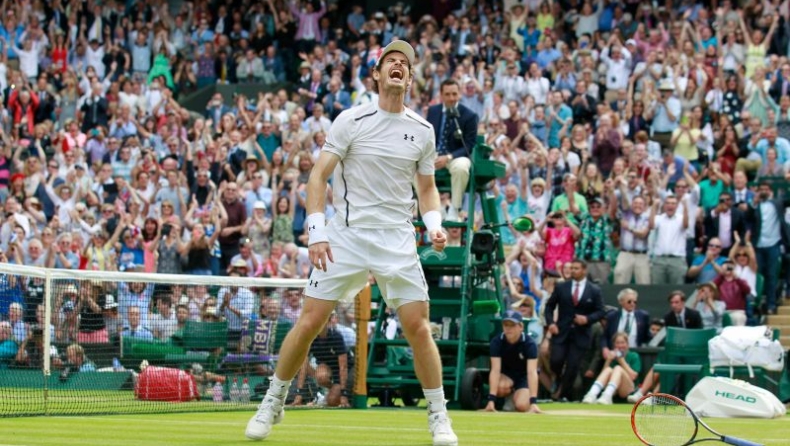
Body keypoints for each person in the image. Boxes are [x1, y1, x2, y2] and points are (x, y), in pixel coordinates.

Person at [245, 41, 457, 446]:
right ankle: (273, 401)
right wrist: (317, 233)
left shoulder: (424, 131)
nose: (398, 66)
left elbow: (427, 188)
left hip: (396, 239)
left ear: (410, 80)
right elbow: (317, 178)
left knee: (418, 326)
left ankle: (439, 415)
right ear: (376, 75)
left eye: (405, 65)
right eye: (391, 62)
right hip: (345, 237)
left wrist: (433, 224)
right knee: (309, 321)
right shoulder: (350, 120)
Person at [544, 259, 606, 402]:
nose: (572, 271)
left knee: (572, 366)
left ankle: (563, 395)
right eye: (571, 268)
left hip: (581, 333)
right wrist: (551, 323)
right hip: (561, 331)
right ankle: (557, 379)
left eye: (576, 268)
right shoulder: (561, 287)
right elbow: (549, 307)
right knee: (556, 360)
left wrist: (587, 319)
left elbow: (601, 311)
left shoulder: (594, 290)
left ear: (584, 270)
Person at [425, 79, 477, 221]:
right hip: (434, 155)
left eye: (454, 94)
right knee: (412, 167)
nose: (451, 98)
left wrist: (448, 157)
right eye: (447, 94)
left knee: (462, 167)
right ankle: (430, 207)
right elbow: (427, 137)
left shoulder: (469, 116)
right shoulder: (433, 111)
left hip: (454, 157)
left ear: (459, 94)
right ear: (441, 95)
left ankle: (454, 208)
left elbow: (470, 144)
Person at [484, 310, 541, 413]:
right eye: (506, 325)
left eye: (512, 325)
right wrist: (491, 401)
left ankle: (517, 398)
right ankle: (504, 399)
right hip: (506, 376)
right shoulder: (496, 342)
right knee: (500, 387)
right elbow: (495, 370)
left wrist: (533, 402)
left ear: (521, 327)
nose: (508, 328)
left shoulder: (530, 344)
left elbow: (532, 372)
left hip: (523, 378)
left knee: (522, 406)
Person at [291, 314, 350, 408]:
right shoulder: (310, 338)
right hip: (326, 368)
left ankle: (341, 393)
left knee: (332, 401)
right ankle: (329, 393)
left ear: (328, 322)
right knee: (321, 376)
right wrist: (299, 393)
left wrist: (343, 394)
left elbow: (343, 367)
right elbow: (303, 364)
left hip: (344, 371)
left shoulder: (336, 337)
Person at [582, 332, 641, 404]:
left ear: (627, 344)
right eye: (617, 343)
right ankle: (591, 394)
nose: (620, 345)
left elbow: (633, 376)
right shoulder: (612, 357)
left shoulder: (634, 356)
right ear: (614, 345)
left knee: (617, 368)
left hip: (628, 389)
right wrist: (608, 361)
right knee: (609, 369)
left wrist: (621, 361)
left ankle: (607, 396)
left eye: (623, 342)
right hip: (614, 390)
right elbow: (603, 376)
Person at [601, 289, 651, 356]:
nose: (632, 304)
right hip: (615, 353)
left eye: (635, 302)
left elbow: (647, 336)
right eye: (629, 301)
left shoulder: (643, 316)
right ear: (621, 301)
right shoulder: (612, 316)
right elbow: (605, 336)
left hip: (636, 353)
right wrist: (604, 348)